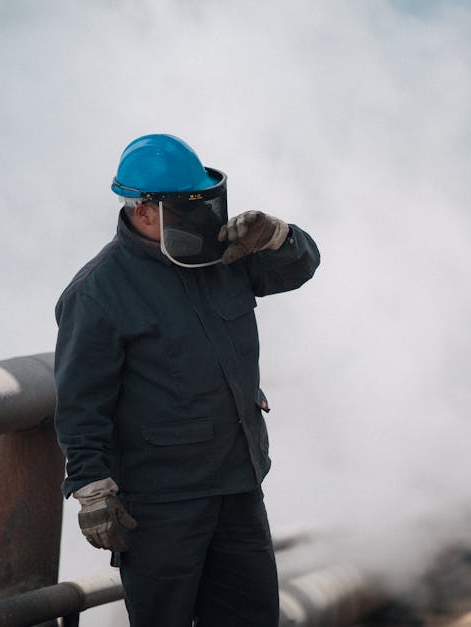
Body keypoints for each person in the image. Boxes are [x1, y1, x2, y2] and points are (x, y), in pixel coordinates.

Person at [54, 134, 320, 625]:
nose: (203, 218)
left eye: (203, 203)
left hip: (239, 487)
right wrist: (91, 487)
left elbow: (301, 267)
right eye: (185, 207)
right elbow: (80, 403)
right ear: (144, 211)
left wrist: (279, 236)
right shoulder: (98, 293)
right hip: (161, 506)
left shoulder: (223, 258)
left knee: (252, 618)